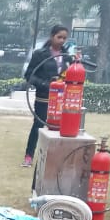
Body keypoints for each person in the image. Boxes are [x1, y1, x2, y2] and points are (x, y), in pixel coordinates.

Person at [22, 24, 69, 167]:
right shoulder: (40, 54)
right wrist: (45, 84)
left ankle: (56, 158)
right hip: (44, 97)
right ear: (52, 36)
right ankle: (29, 156)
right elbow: (29, 75)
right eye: (59, 37)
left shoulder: (67, 55)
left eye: (64, 38)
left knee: (60, 128)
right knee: (38, 125)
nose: (62, 41)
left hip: (61, 99)